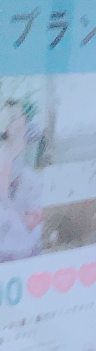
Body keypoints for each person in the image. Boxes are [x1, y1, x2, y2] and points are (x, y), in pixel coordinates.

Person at [0, 97, 42, 262]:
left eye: (20, 115)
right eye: (12, 117)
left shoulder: (30, 147)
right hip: (9, 242)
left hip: (27, 241)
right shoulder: (5, 156)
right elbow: (5, 196)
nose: (20, 120)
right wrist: (23, 217)